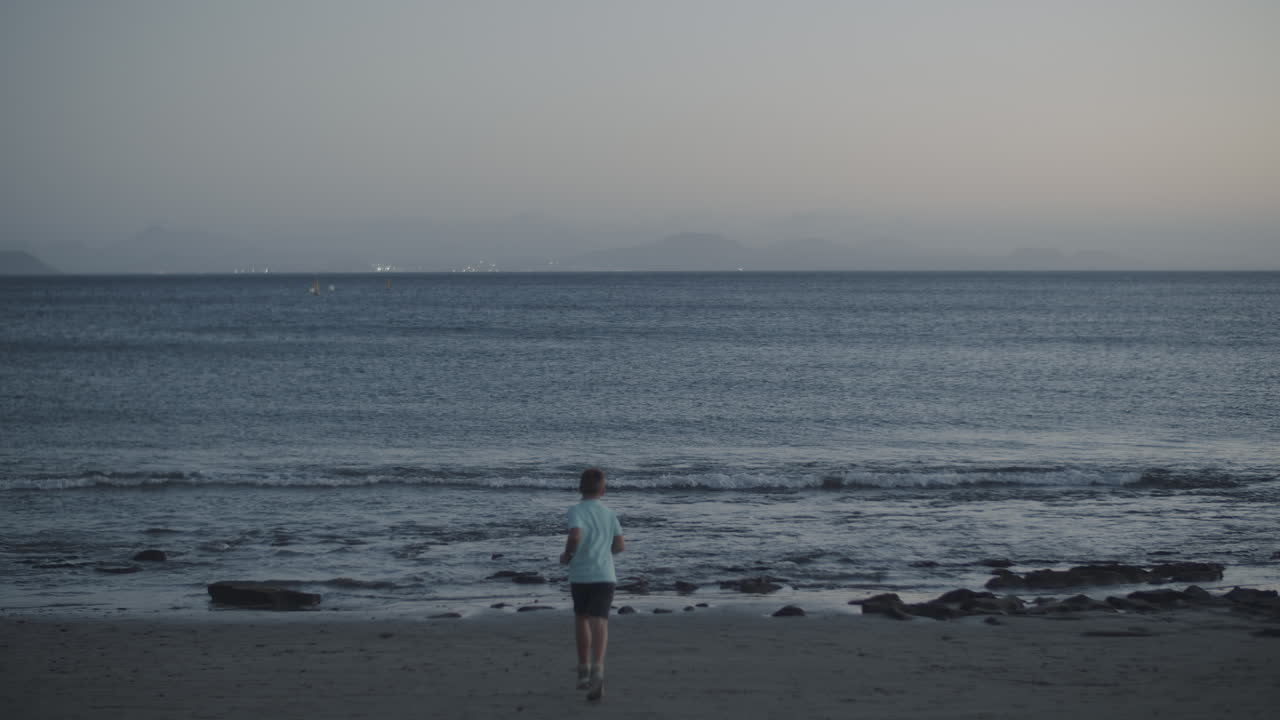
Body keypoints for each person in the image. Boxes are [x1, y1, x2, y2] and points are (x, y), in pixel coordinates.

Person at [559, 467, 625, 701]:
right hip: (605, 574)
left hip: (582, 575)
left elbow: (575, 535)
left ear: (579, 489)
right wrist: (604, 551)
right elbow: (619, 546)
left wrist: (567, 554)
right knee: (600, 620)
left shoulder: (576, 510)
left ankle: (583, 669)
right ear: (604, 490)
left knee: (582, 618)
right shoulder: (609, 514)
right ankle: (598, 667)